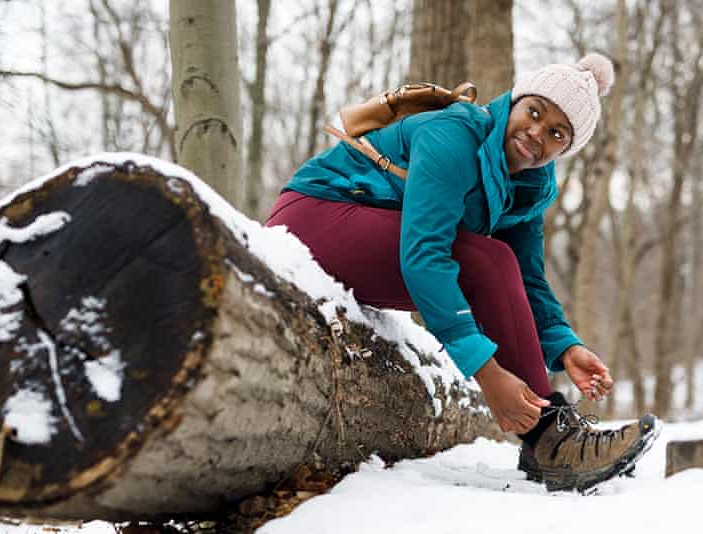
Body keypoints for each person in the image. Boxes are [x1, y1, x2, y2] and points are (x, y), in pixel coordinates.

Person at [266, 53, 661, 492]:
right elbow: (425, 256)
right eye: (534, 112)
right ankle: (551, 440)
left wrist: (565, 347)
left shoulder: (530, 187)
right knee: (486, 260)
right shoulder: (453, 134)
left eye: (556, 133)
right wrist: (487, 374)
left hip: (369, 234)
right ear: (514, 101)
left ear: (563, 149)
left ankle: (548, 437)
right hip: (313, 220)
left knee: (496, 260)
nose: (537, 133)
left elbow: (527, 282)